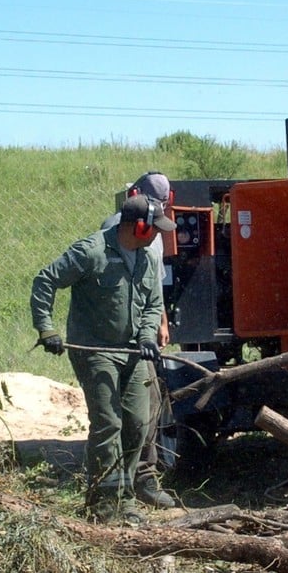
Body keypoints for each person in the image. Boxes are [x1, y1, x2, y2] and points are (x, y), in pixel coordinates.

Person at [30, 194, 175, 525]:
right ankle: (104, 503)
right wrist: (46, 329)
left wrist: (146, 336)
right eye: (155, 228)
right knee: (109, 424)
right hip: (95, 352)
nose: (159, 235)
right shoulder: (91, 251)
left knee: (138, 423)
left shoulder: (148, 258)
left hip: (133, 351)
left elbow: (153, 303)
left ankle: (126, 499)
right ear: (138, 226)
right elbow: (46, 280)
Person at [99, 172, 176, 509]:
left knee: (151, 402)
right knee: (119, 415)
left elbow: (153, 284)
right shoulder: (115, 228)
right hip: (117, 338)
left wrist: (159, 321)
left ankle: (143, 477)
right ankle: (115, 486)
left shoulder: (153, 230)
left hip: (143, 332)